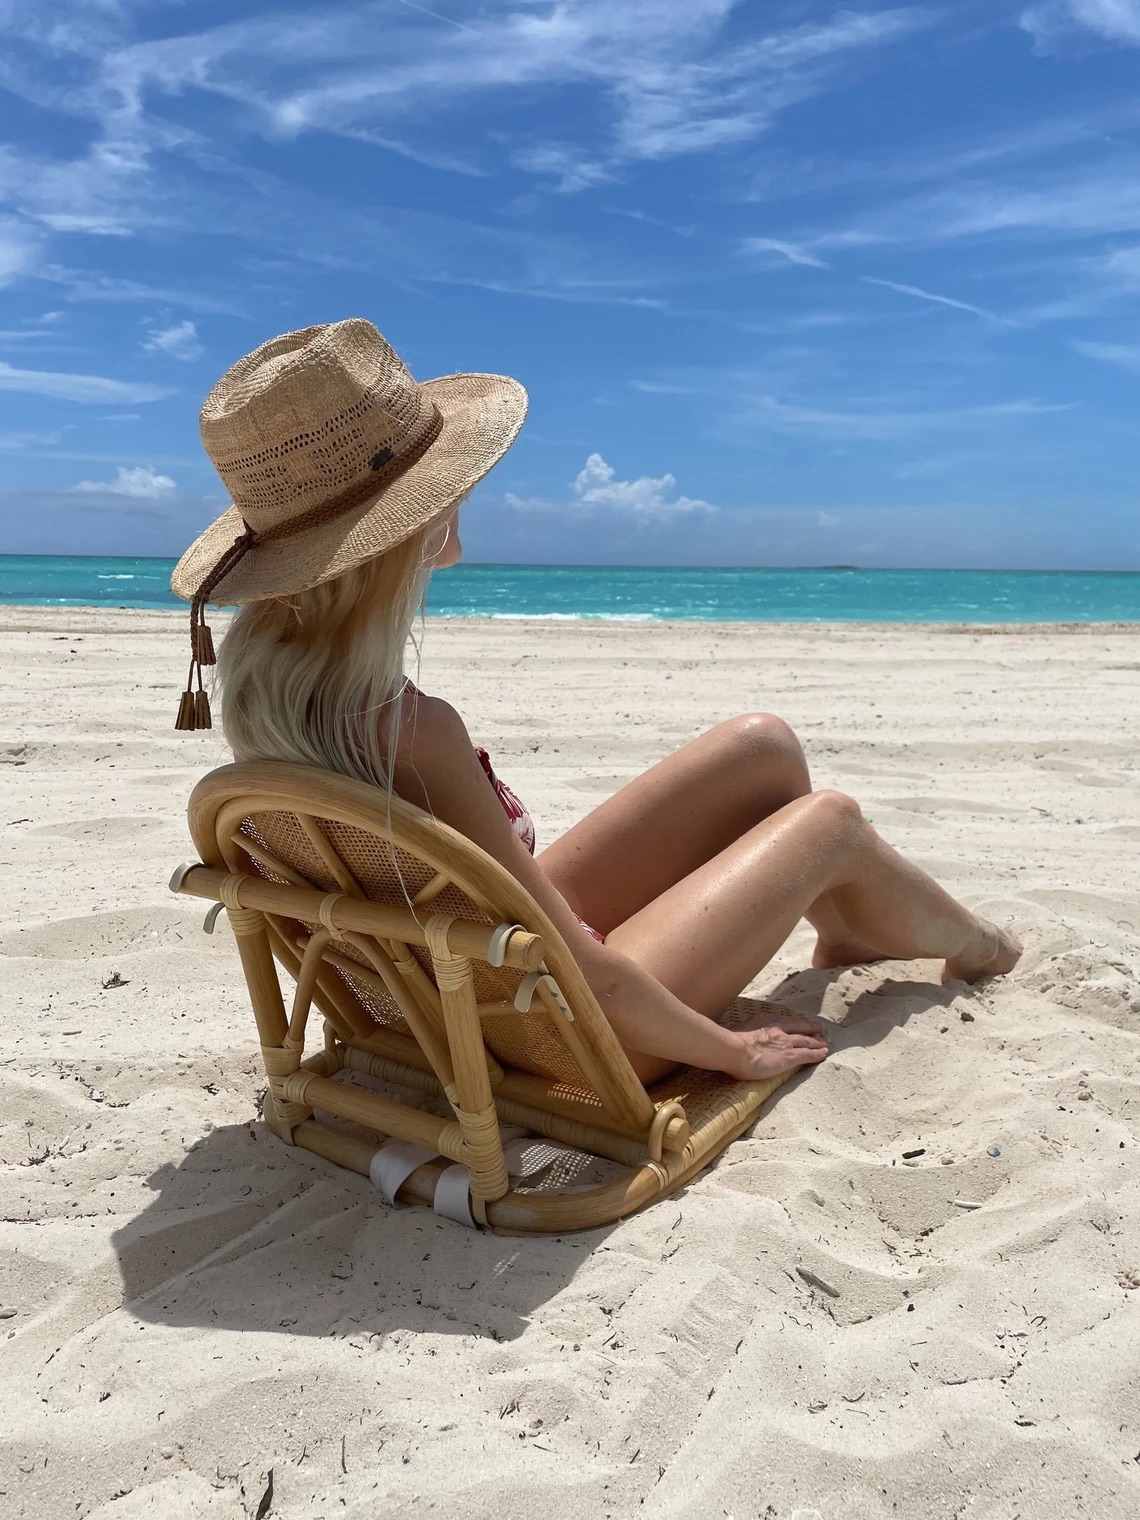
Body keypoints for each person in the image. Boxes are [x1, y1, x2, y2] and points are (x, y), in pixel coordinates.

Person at [172, 319, 1021, 1089]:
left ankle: (855, 928)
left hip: (471, 986)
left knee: (761, 748)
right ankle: (974, 943)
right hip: (561, 1032)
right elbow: (587, 970)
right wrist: (732, 1050)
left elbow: (489, 906)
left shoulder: (282, 700)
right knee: (830, 819)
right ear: (402, 530)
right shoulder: (414, 730)